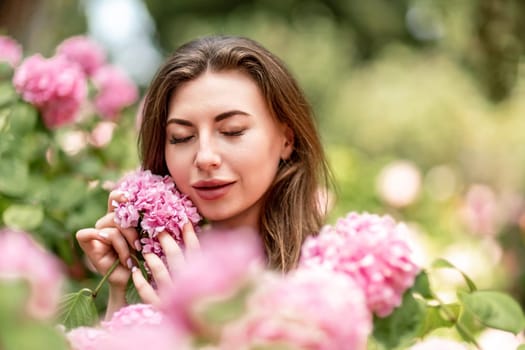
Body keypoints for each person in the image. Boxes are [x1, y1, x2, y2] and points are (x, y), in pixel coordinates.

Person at [76, 35, 332, 318]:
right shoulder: (162, 273)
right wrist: (121, 293)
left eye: (232, 130)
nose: (205, 157)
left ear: (287, 139)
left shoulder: (327, 278)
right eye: (181, 137)